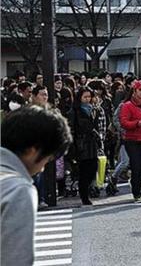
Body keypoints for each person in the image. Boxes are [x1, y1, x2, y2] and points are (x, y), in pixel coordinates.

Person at [1, 106, 72, 266]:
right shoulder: (17, 189)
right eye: (48, 158)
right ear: (33, 150)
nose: (44, 166)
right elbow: (15, 259)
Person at [68, 86, 101, 206]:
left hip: (91, 143)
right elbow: (71, 129)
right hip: (80, 144)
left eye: (89, 97)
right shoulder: (74, 111)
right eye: (85, 97)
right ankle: (84, 196)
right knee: (83, 172)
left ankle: (87, 191)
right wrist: (72, 147)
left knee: (93, 169)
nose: (87, 99)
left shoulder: (93, 109)